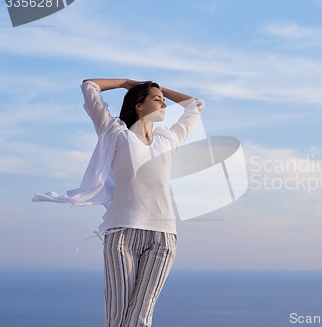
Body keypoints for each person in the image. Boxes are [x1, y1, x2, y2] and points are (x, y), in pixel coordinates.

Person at [33, 78, 205, 327]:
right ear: (138, 105)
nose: (164, 104)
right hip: (123, 234)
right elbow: (89, 86)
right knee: (117, 317)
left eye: (164, 101)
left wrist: (156, 90)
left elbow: (196, 105)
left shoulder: (168, 140)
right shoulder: (116, 133)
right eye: (157, 100)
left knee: (141, 317)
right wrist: (127, 83)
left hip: (163, 236)